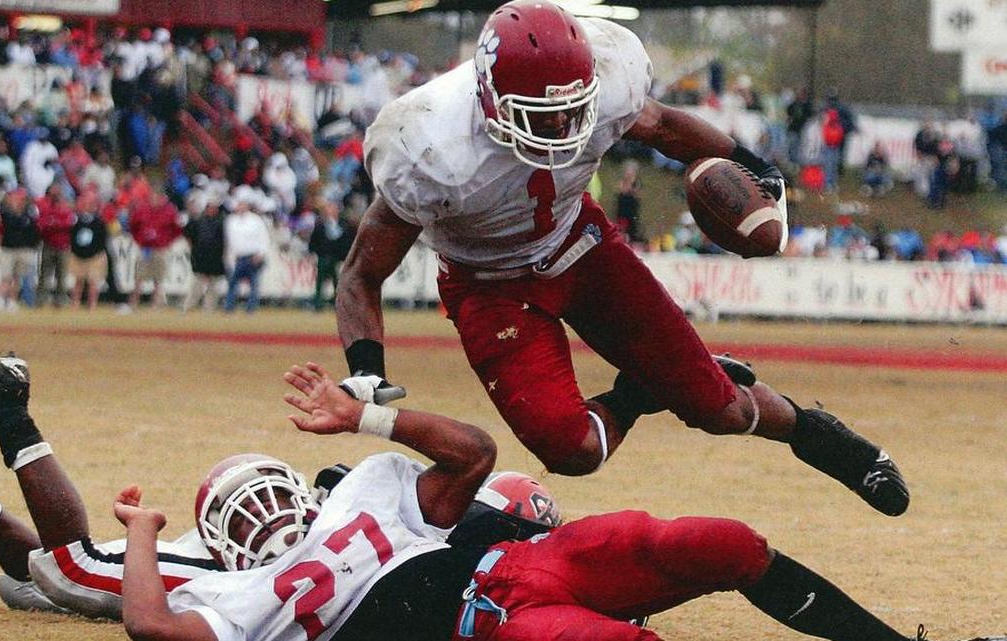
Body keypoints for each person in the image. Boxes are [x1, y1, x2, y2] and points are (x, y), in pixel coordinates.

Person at [0, 353, 994, 641]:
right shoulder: (239, 589)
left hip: (514, 562)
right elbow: (121, 601)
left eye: (268, 494)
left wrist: (363, 419)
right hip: (481, 615)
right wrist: (142, 535)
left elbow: (476, 460)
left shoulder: (359, 487)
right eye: (243, 514)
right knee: (55, 577)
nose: (264, 515)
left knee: (723, 538)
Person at [336, 0, 908, 518]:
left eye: (571, 110)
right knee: (572, 452)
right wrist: (366, 367)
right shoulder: (428, 144)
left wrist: (751, 162)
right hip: (489, 286)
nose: (561, 127)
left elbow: (661, 125)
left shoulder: (609, 78)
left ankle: (827, 439)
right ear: (489, 99)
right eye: (541, 114)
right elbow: (364, 270)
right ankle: (637, 392)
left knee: (719, 408)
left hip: (583, 248)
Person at [0, 349, 551, 621]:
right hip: (262, 552)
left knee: (40, 578)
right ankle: (4, 414)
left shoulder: (446, 520)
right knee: (61, 572)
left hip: (255, 547)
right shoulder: (448, 525)